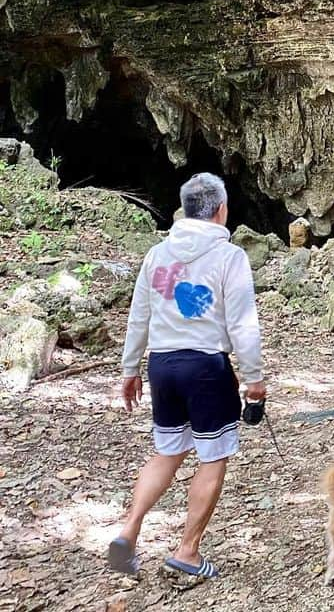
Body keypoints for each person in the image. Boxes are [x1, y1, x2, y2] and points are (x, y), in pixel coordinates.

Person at [108, 172, 265, 578]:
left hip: (162, 366)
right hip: (205, 367)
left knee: (168, 452)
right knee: (212, 457)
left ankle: (128, 532)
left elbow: (138, 315)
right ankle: (188, 551)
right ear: (220, 210)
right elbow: (242, 325)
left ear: (186, 209)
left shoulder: (157, 255)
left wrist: (130, 369)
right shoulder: (230, 257)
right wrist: (254, 379)